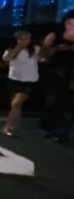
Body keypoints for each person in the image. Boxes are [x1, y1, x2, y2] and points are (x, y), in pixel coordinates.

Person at [40, 10, 74, 143]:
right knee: (54, 100)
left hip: (71, 75)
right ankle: (52, 127)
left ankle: (63, 131)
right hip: (54, 73)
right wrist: (57, 49)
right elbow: (43, 56)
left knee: (67, 103)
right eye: (69, 23)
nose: (72, 26)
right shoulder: (55, 36)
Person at [1, 30, 39, 136]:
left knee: (16, 103)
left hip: (29, 80)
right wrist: (19, 47)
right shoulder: (12, 49)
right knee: (15, 105)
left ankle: (8, 127)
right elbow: (6, 58)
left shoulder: (34, 49)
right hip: (14, 79)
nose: (27, 41)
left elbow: (43, 58)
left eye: (28, 38)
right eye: (24, 38)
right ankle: (13, 121)